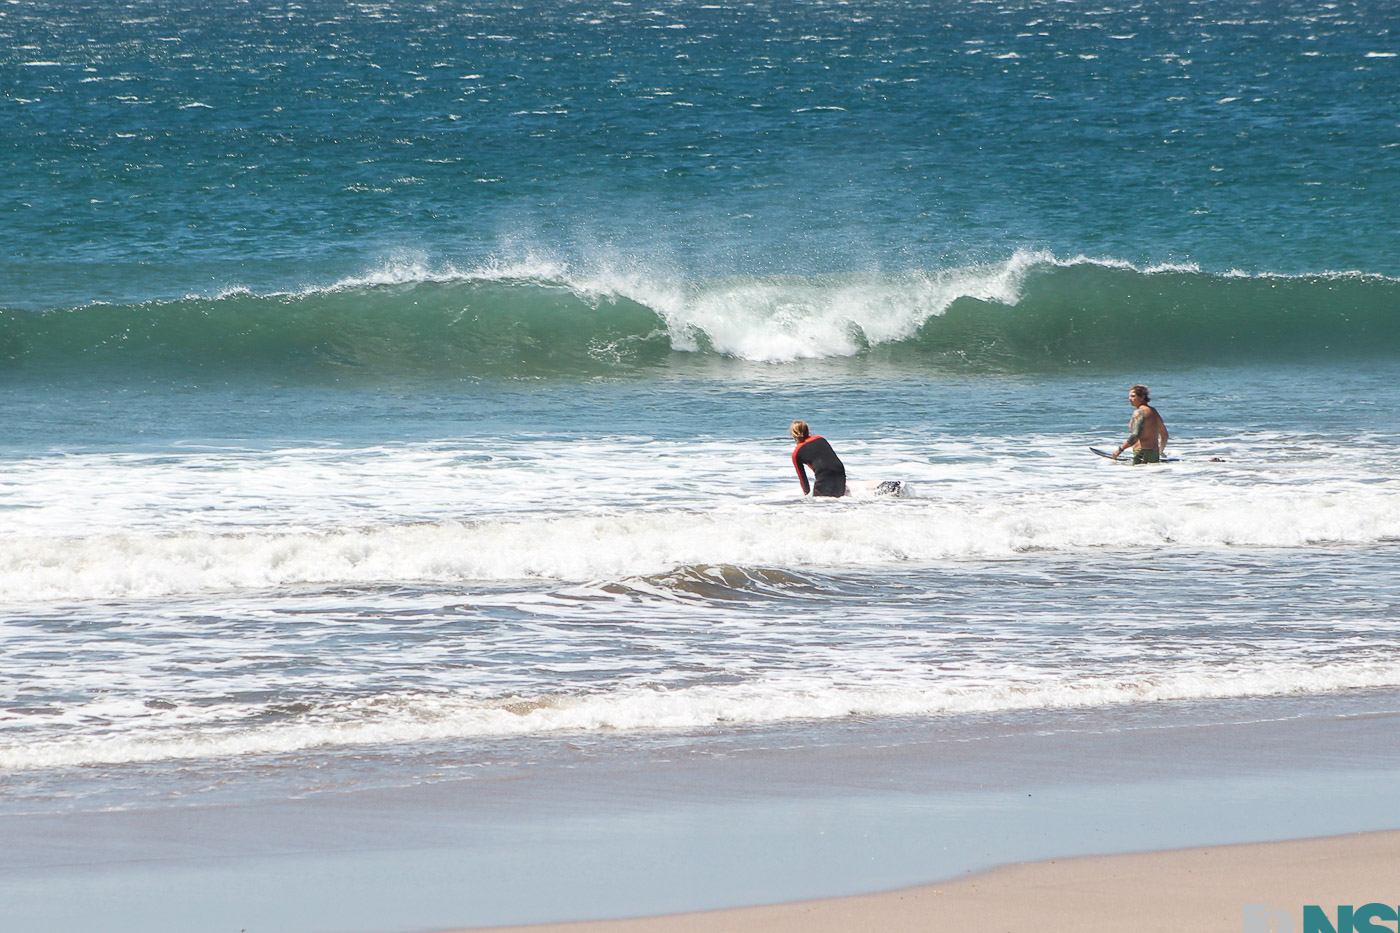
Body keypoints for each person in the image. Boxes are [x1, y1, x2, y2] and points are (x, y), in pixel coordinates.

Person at [1112, 384, 1169, 464]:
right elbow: (1165, 435)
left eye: (1133, 396)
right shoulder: (1154, 412)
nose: (1130, 399)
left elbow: (1135, 435)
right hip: (1154, 453)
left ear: (1142, 397)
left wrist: (1120, 449)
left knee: (1137, 475)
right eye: (1129, 396)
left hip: (1141, 453)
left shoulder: (1139, 412)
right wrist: (1160, 452)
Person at [789, 420, 847, 497]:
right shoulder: (820, 438)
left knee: (821, 503)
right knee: (839, 499)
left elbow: (803, 479)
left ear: (792, 434)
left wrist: (807, 496)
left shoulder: (796, 453)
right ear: (808, 430)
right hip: (840, 470)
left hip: (824, 474)